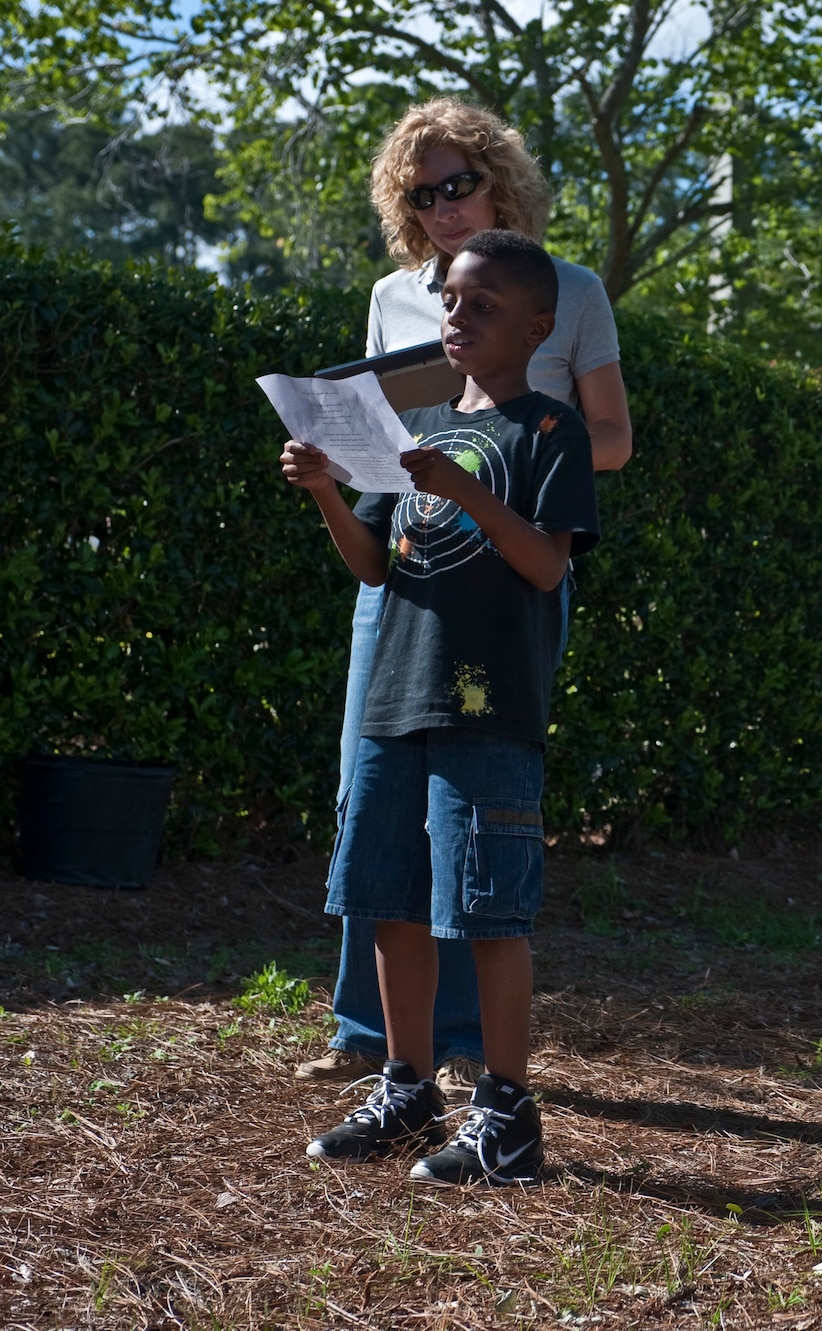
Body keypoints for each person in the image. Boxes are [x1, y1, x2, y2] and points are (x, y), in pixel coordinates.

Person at [295, 98, 631, 1095]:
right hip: (404, 567)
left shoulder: (562, 291)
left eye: (458, 185)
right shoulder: (393, 296)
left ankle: (467, 1049)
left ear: (502, 182)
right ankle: (372, 1036)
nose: (440, 206)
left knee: (474, 806)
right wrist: (337, 467)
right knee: (375, 796)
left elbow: (610, 437)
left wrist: (531, 444)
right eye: (419, 192)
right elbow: (381, 451)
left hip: (505, 564)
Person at [280, 230, 598, 1184]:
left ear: (538, 327)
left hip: (488, 706)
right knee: (388, 898)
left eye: (485, 307)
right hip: (396, 698)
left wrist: (465, 491)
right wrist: (331, 493)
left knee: (488, 909)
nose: (458, 318)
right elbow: (376, 563)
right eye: (453, 303)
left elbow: (546, 563)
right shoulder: (415, 428)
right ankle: (408, 1089)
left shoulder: (548, 430)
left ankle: (507, 1111)